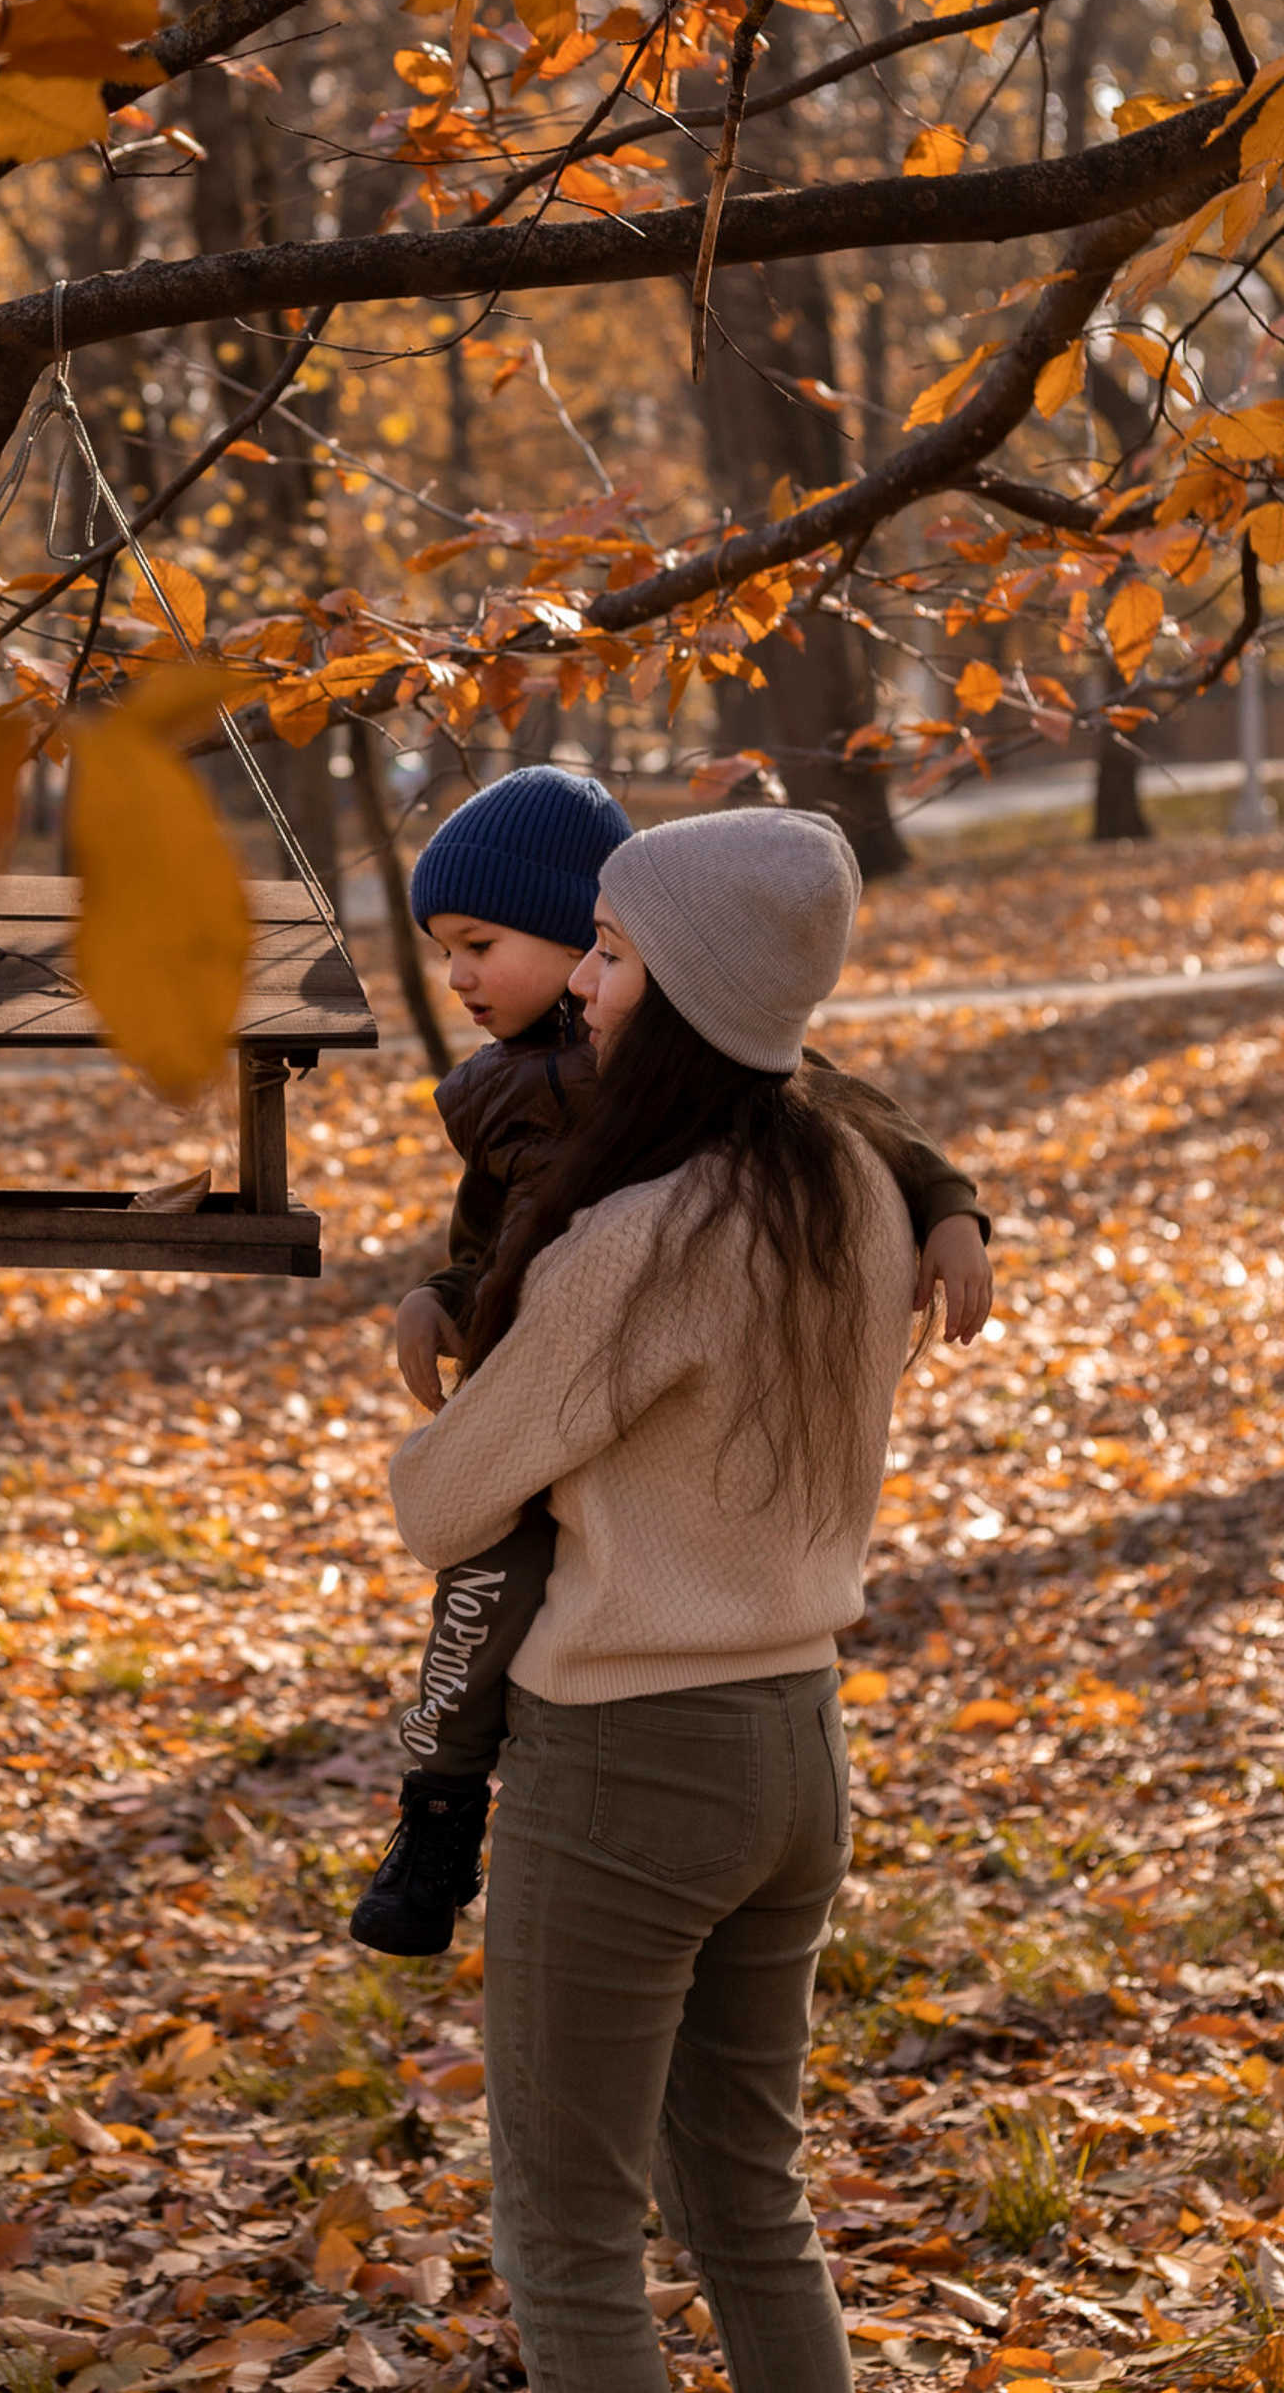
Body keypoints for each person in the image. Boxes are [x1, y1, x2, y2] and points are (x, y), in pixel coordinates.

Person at [386, 808, 955, 2393]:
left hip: (627, 1763)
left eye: (616, 957)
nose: (585, 988)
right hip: (796, 1750)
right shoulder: (849, 1181)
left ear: (688, 985)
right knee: (754, 2212)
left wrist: (436, 1388)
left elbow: (446, 1502)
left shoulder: (641, 1239)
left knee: (568, 2233)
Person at [351, 771, 991, 1957]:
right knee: (473, 1613)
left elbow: (866, 1117)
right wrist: (436, 1300)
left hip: (628, 1655)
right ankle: (435, 1812)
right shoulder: (502, 1097)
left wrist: (950, 1211)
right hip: (760, 1689)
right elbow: (483, 1239)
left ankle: (437, 1814)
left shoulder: (720, 1133)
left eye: (483, 943)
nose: (457, 976)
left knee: (478, 1577)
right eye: (444, 949)